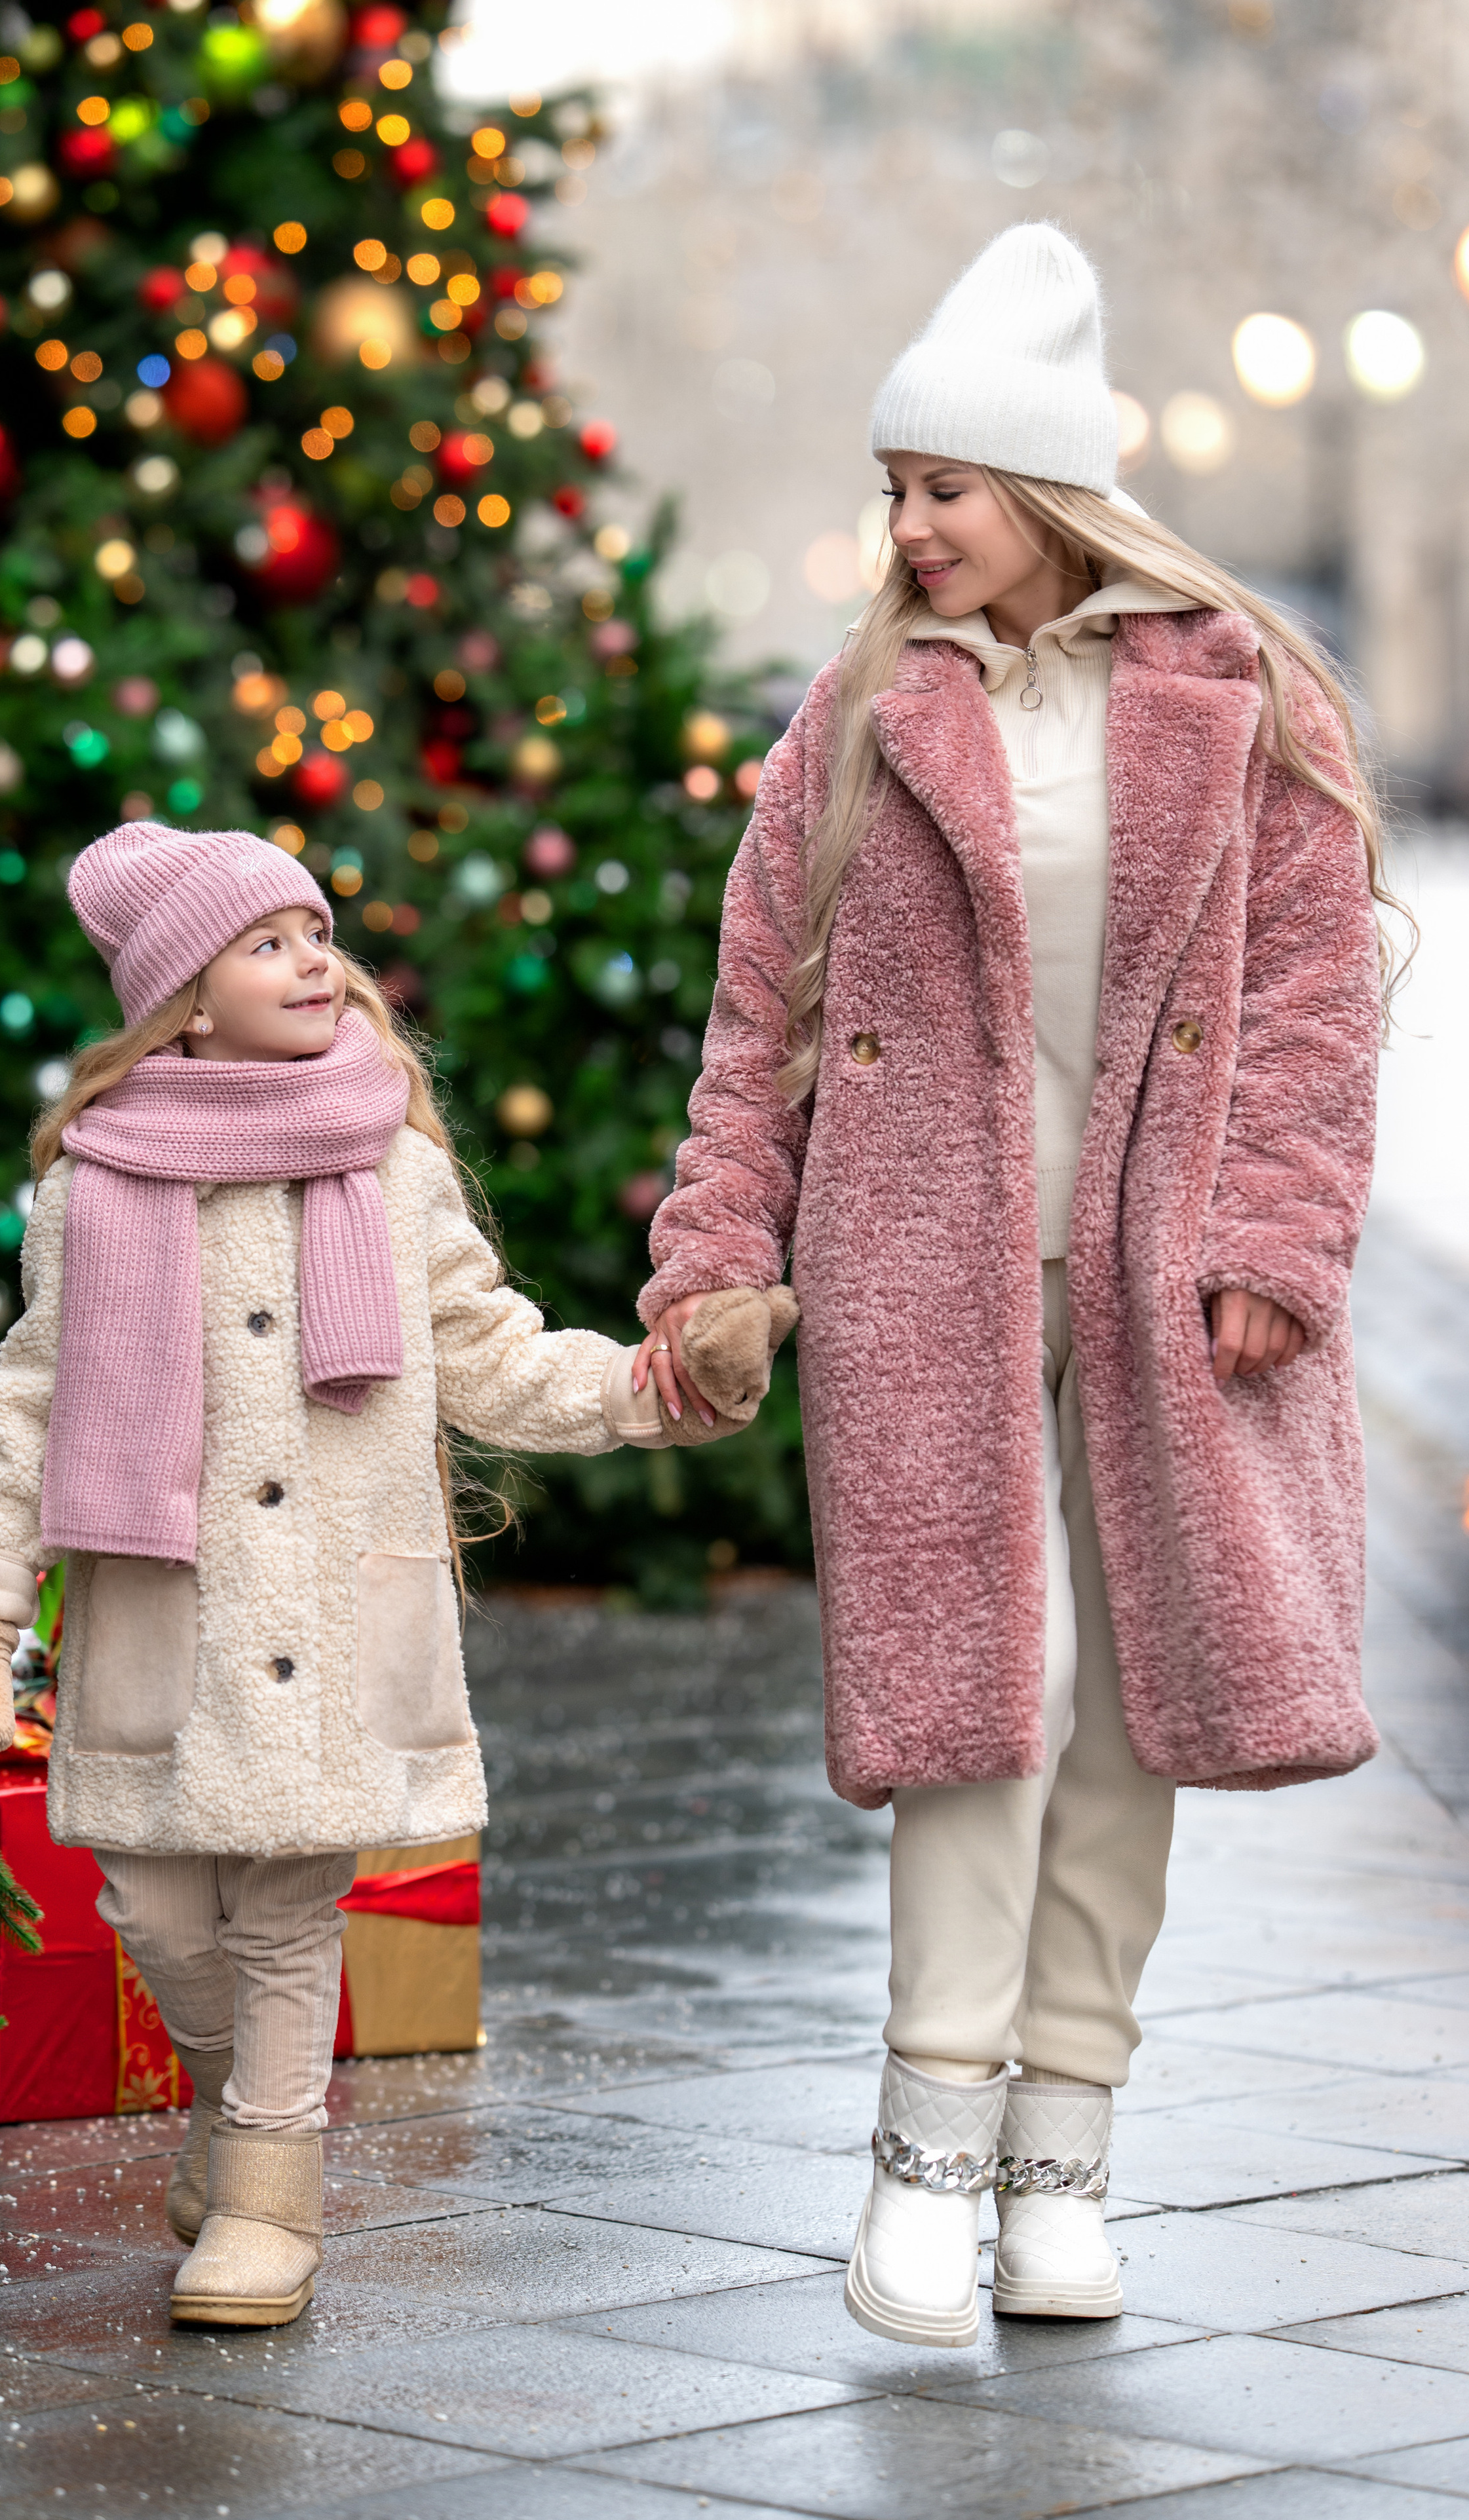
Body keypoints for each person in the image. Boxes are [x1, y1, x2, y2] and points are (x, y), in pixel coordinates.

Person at [635, 223, 1390, 2348]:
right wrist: (720, 1247)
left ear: (1048, 489)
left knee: (1133, 1709)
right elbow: (759, 1005)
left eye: (945, 487)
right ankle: (927, 2145)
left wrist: (1274, 1236)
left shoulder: (1240, 699)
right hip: (924, 1280)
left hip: (1182, 1291)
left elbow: (1320, 1001)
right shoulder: (863, 710)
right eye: (896, 492)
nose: (911, 529)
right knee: (988, 1700)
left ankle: (1068, 2151)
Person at [0, 819, 777, 2331]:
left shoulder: (390, 1161)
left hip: (323, 1614)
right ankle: (234, 2100)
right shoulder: (94, 1186)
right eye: (269, 942)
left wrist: (663, 1383)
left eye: (318, 931)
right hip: (159, 1617)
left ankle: (267, 2188)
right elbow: (27, 1416)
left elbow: (494, 1361)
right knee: (158, 1912)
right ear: (183, 997)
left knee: (289, 1918)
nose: (317, 961)